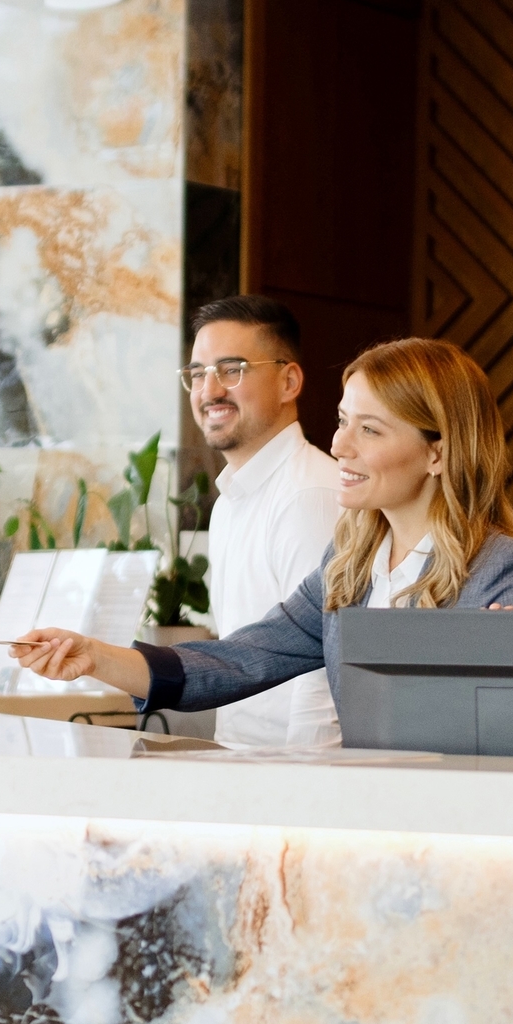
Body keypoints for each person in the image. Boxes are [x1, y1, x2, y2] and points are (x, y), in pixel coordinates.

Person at [12, 336, 513, 713]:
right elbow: (237, 661)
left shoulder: (499, 567)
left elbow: (506, 724)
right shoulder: (348, 565)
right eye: (342, 421)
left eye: (371, 430)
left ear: (437, 454)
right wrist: (94, 656)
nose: (339, 446)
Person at [182, 293, 348, 751]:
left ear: (288, 380)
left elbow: (324, 664)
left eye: (231, 370)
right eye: (197, 374)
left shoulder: (310, 492)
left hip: (291, 776)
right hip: (242, 765)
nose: (209, 390)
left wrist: (302, 794)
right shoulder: (229, 501)